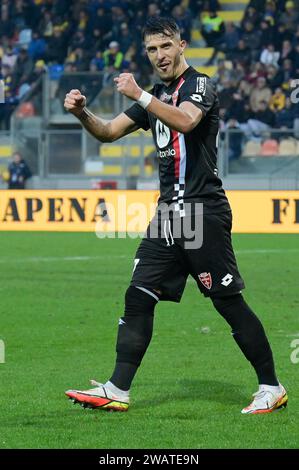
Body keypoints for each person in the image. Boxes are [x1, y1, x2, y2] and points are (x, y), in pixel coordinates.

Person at [64, 17, 288, 415]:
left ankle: (271, 386)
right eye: (151, 49)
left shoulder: (199, 85)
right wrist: (83, 113)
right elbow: (109, 132)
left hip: (202, 212)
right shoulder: (154, 95)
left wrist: (141, 96)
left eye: (166, 46)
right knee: (138, 295)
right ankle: (117, 388)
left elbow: (186, 120)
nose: (159, 56)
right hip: (168, 215)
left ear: (182, 45)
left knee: (227, 302)